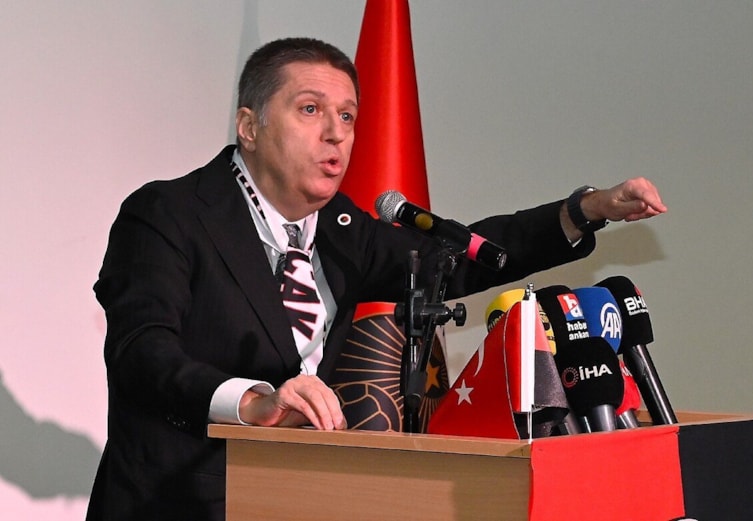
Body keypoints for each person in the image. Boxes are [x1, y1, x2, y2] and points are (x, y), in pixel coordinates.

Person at [86, 37, 666, 520]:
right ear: (250, 126)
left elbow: (454, 261)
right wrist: (254, 402)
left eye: (347, 116)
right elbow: (142, 352)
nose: (336, 133)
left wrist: (582, 211)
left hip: (293, 501)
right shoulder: (168, 214)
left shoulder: (341, 230)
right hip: (174, 502)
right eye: (310, 109)